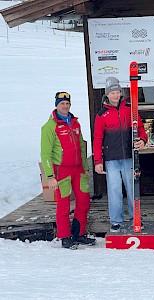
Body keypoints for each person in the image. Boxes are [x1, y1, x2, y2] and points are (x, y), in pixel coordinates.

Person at [41, 92, 96, 249]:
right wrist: (50, 176)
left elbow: (82, 146)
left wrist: (85, 167)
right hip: (62, 171)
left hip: (78, 169)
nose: (65, 106)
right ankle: (65, 236)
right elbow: (45, 154)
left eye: (67, 103)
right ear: (56, 105)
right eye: (62, 103)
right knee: (64, 204)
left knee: (84, 202)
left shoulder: (75, 122)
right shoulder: (49, 127)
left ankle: (78, 233)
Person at [93, 77, 147, 233]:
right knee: (115, 189)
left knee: (132, 189)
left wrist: (142, 140)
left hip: (129, 156)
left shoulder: (129, 108)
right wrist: (98, 161)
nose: (115, 96)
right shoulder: (102, 114)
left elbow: (141, 129)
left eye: (117, 92)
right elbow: (97, 139)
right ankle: (116, 221)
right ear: (107, 95)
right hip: (111, 159)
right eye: (112, 93)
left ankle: (135, 217)